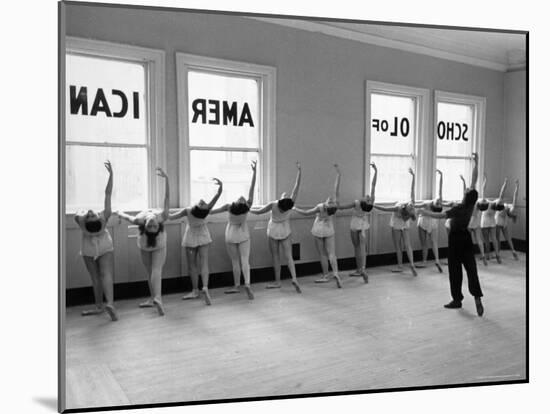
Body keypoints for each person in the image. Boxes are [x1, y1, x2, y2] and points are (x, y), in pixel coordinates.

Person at [419, 153, 484, 316]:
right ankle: (477, 296)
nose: (467, 188)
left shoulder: (459, 209)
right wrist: (476, 164)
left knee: (455, 270)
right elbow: (474, 180)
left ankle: (457, 300)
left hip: (455, 239)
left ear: (465, 196)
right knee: (471, 268)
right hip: (467, 239)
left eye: (467, 190)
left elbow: (441, 216)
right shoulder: (470, 206)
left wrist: (424, 212)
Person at [115, 167, 170, 316]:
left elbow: (126, 216)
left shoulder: (139, 220)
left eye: (151, 225)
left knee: (153, 271)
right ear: (158, 226)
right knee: (153, 271)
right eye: (152, 225)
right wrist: (167, 179)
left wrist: (119, 212)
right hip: (148, 244)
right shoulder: (160, 217)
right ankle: (155, 298)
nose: (152, 223)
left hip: (156, 244)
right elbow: (166, 199)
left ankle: (156, 298)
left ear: (144, 226)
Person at [74, 160, 118, 321]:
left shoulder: (80, 221)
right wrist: (111, 175)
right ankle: (110, 304)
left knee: (96, 277)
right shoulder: (105, 217)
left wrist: (85, 222)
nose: (91, 212)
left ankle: (100, 305)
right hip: (105, 246)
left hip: (88, 248)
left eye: (90, 214)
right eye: (92, 215)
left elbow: (77, 215)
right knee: (106, 275)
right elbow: (108, 194)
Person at [250, 162, 302, 293]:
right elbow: (296, 187)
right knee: (289, 256)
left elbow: (258, 212)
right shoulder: (291, 204)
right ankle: (294, 278)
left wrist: (247, 209)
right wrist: (299, 171)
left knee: (276, 257)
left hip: (273, 229)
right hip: (285, 229)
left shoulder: (274, 204)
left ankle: (278, 282)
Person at [169, 178, 223, 305]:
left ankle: (195, 290)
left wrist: (160, 212)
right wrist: (220, 187)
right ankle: (205, 287)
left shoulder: (187, 211)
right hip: (203, 236)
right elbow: (217, 196)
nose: (203, 201)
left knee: (192, 266)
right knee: (204, 263)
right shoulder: (206, 210)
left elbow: (171, 217)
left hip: (191, 237)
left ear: (199, 207)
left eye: (202, 203)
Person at [209, 161, 257, 300]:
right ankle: (247, 284)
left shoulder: (229, 207)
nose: (242, 198)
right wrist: (255, 172)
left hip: (230, 235)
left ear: (238, 203)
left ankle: (237, 286)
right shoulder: (247, 206)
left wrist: (220, 188)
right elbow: (252, 189)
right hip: (243, 235)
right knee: (245, 261)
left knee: (235, 262)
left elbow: (211, 212)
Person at [294, 164, 343, 288]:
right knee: (332, 253)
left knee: (322, 254)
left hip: (318, 229)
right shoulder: (335, 207)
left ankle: (326, 275)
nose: (330, 198)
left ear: (327, 203)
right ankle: (336, 273)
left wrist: (295, 208)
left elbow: (306, 213)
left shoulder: (321, 207)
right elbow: (336, 189)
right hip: (329, 229)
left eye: (329, 199)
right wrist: (338, 174)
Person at [337, 162, 377, 283]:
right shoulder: (369, 205)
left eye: (368, 198)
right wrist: (376, 171)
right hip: (363, 225)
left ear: (365, 201)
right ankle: (361, 269)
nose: (368, 196)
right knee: (362, 248)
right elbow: (374, 185)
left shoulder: (357, 203)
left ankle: (360, 269)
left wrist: (337, 198)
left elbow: (341, 207)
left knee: (357, 247)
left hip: (355, 225)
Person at [373, 167, 418, 276]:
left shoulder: (400, 208)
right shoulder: (406, 208)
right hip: (402, 224)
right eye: (411, 205)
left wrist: (373, 205)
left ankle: (403, 265)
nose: (411, 204)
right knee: (406, 245)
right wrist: (413, 176)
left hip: (399, 224)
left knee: (400, 246)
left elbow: (385, 209)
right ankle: (408, 264)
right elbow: (412, 190)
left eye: (411, 206)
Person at [414, 169, 444, 273]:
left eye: (438, 203)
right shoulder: (438, 200)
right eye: (439, 202)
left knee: (428, 243)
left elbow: (416, 205)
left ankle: (428, 261)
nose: (439, 201)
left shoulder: (427, 203)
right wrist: (441, 176)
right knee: (431, 243)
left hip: (425, 222)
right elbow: (440, 189)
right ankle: (433, 260)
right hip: (430, 222)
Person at [480, 176, 505, 263]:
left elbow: (483, 190)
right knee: (494, 239)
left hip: (485, 222)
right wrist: (505, 183)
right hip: (492, 221)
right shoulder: (496, 206)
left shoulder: (487, 203)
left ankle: (487, 255)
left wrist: (485, 181)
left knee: (486, 240)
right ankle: (497, 255)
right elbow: (502, 194)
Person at [495, 179, 520, 260]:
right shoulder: (508, 207)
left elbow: (501, 193)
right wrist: (517, 186)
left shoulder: (501, 204)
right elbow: (515, 197)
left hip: (498, 221)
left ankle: (498, 253)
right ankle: (513, 250)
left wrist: (505, 183)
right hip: (504, 221)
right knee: (508, 238)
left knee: (497, 238)